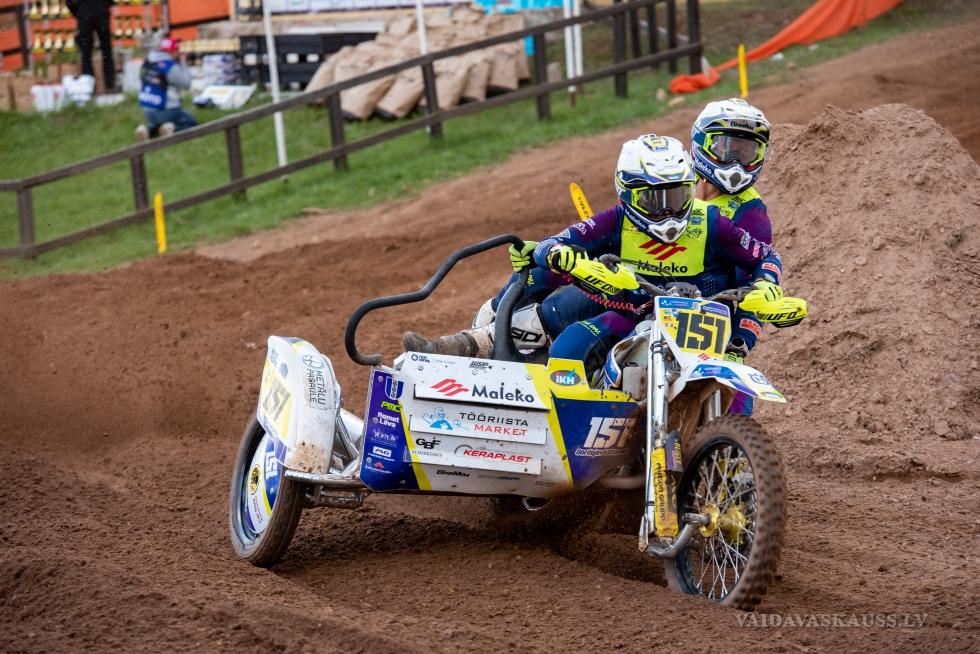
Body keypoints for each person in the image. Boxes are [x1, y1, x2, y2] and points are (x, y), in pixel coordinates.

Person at [404, 135, 783, 385]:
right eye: (655, 200)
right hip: (632, 316)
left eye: (677, 196)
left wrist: (767, 285)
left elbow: (765, 256)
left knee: (740, 391)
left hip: (699, 324)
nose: (668, 211)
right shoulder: (615, 220)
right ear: (628, 194)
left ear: (690, 187)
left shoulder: (712, 222)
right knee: (569, 345)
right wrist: (558, 254)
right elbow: (555, 243)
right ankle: (487, 351)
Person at [690, 98, 776, 413]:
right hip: (646, 299)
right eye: (728, 149)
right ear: (702, 144)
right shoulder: (674, 184)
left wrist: (738, 343)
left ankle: (732, 443)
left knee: (738, 400)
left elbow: (756, 285)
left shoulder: (750, 213)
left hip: (709, 319)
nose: (737, 162)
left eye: (747, 152)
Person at [135, 36, 198, 141]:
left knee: (157, 124)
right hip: (167, 110)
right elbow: (187, 84)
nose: (179, 52)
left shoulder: (148, 61)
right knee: (191, 123)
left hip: (148, 111)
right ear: (171, 52)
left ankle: (147, 130)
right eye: (177, 50)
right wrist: (182, 63)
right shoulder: (170, 66)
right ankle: (171, 129)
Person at [67, 0, 115, 92]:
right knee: (106, 51)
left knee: (86, 53)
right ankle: (109, 85)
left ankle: (89, 86)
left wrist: (78, 12)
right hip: (101, 12)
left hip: (84, 13)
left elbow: (69, 2)